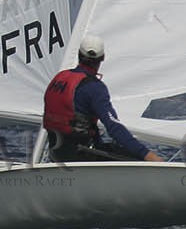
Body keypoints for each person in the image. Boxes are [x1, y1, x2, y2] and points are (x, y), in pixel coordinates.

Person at [42, 35, 163, 163]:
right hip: (82, 157)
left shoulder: (59, 78)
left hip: (56, 154)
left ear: (79, 54)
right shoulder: (94, 88)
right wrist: (146, 155)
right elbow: (114, 127)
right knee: (136, 159)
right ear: (103, 58)